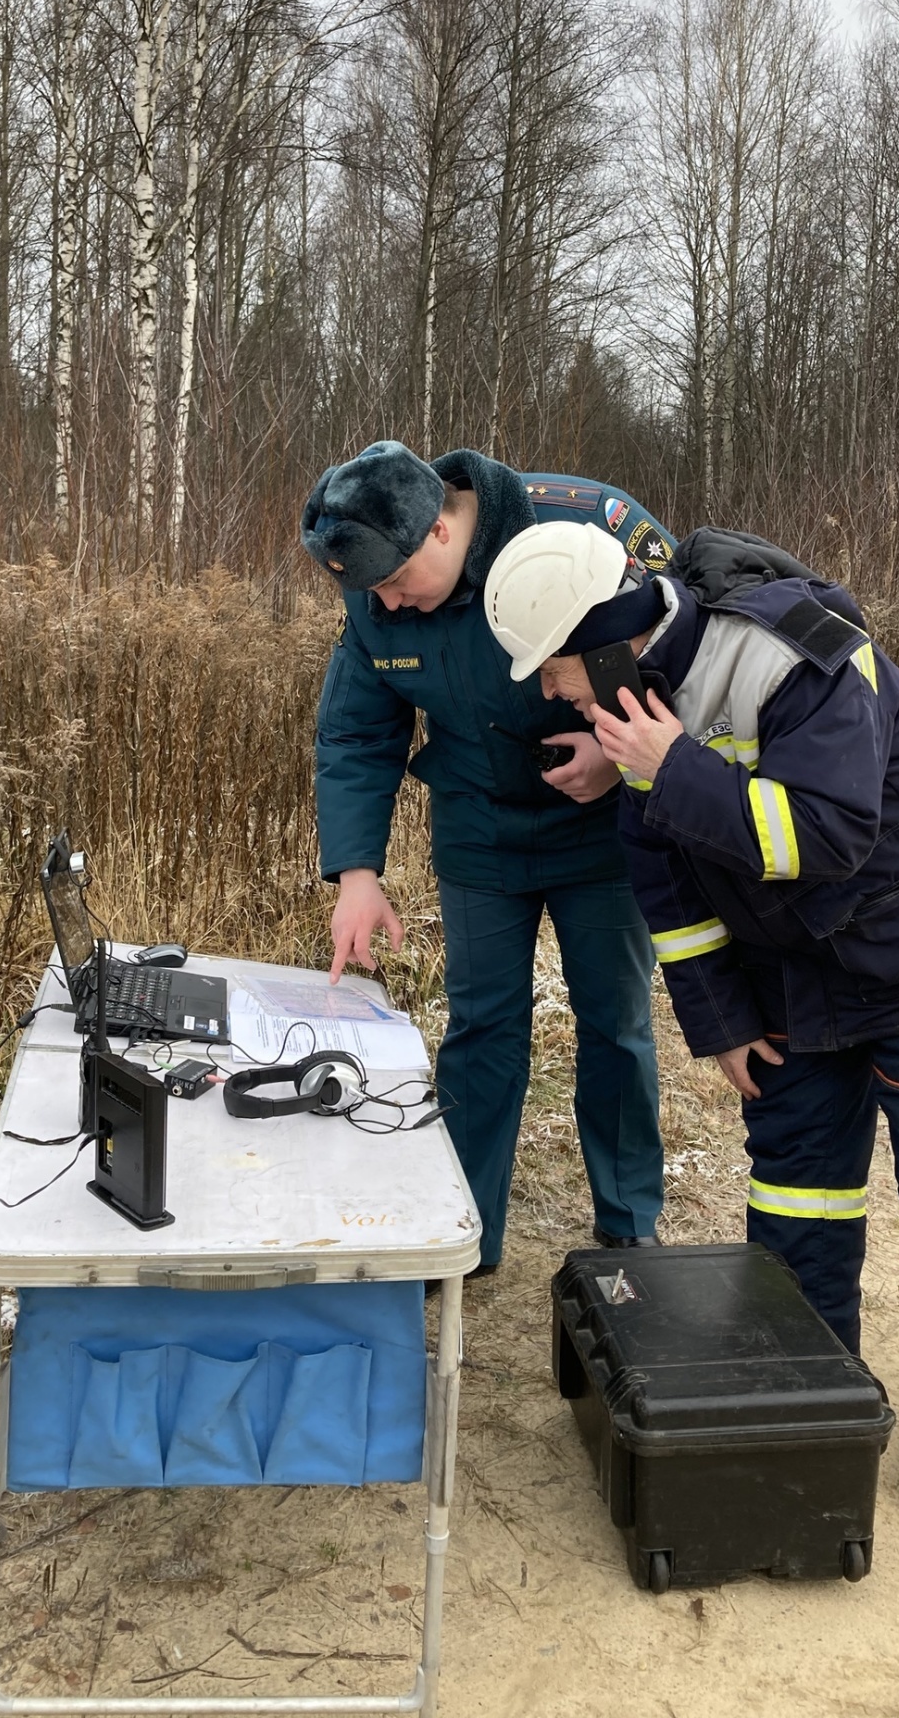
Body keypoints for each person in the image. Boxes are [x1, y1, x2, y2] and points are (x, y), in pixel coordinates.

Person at [482, 519, 899, 1521]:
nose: (552, 694)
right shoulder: (638, 716)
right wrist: (724, 1019)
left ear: (606, 643)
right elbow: (668, 886)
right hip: (797, 983)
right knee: (797, 1195)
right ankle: (811, 1390)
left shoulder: (794, 649)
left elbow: (827, 830)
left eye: (556, 672)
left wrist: (672, 763)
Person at [299, 440, 678, 1277]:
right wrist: (357, 874)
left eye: (395, 585)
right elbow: (358, 731)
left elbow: (684, 645)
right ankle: (465, 1227)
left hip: (602, 822)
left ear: (439, 531)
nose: (386, 607)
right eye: (370, 594)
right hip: (477, 821)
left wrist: (618, 756)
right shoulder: (376, 593)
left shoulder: (586, 525)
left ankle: (629, 1221)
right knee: (482, 1027)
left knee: (615, 1021)